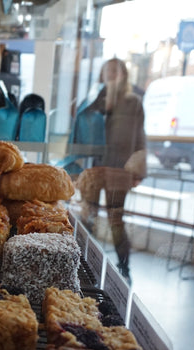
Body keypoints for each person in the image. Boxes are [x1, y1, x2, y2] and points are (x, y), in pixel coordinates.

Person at [77, 58, 147, 280]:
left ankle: (124, 267)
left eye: (115, 70)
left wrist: (138, 169)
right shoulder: (95, 99)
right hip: (95, 167)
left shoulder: (133, 102)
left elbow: (140, 136)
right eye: (107, 70)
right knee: (88, 214)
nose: (110, 74)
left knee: (115, 218)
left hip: (119, 169)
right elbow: (80, 122)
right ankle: (80, 260)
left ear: (123, 73)